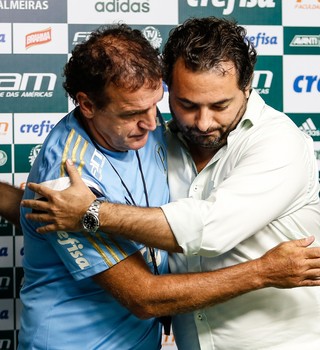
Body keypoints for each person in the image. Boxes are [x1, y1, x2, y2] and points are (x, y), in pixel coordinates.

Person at [21, 17, 320, 350]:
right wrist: (264, 271)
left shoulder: (279, 143)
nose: (203, 122)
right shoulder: (73, 175)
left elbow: (210, 230)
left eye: (220, 105)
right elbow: (142, 295)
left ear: (248, 87)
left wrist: (92, 213)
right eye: (186, 104)